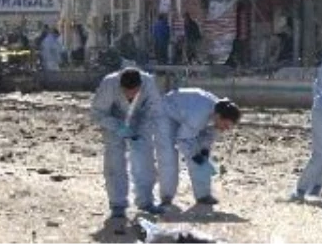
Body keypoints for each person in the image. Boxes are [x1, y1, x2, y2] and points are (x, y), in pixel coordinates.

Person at [90, 67, 165, 218]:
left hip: (140, 120)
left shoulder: (149, 83)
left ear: (140, 85)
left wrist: (140, 131)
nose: (131, 95)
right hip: (113, 121)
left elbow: (154, 111)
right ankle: (117, 204)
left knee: (145, 161)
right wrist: (118, 127)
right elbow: (97, 113)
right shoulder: (109, 83)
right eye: (127, 92)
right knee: (114, 162)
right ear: (120, 85)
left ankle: (146, 201)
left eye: (135, 92)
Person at [155, 88, 241, 207]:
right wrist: (194, 155)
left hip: (187, 116)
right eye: (225, 125)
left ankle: (203, 195)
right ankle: (167, 196)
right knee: (168, 155)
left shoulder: (218, 113)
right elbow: (183, 139)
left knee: (202, 159)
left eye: (229, 127)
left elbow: (209, 136)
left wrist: (204, 151)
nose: (225, 129)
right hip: (166, 113)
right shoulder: (199, 115)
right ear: (218, 116)